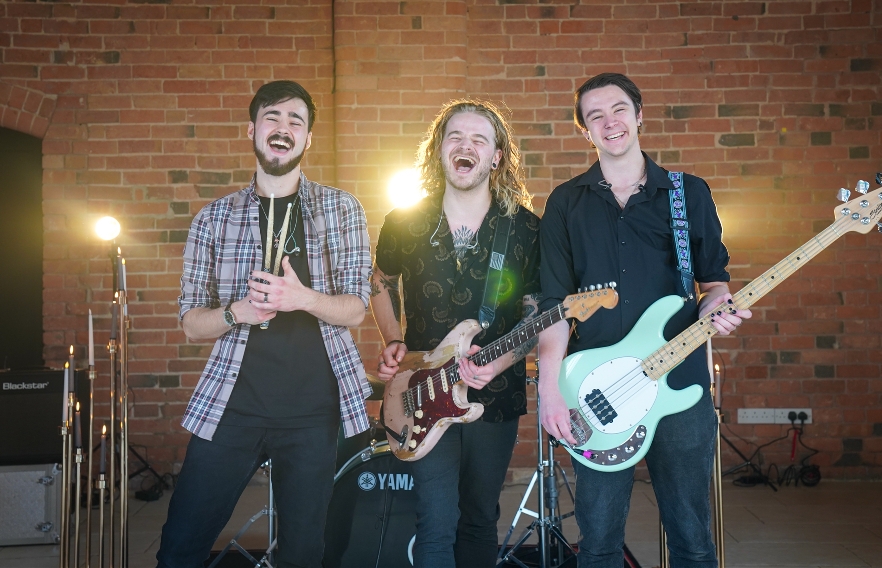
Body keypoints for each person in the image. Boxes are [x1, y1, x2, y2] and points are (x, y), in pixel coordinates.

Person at [537, 72, 752, 567]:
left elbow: (714, 284)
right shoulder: (565, 203)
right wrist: (550, 390)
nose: (609, 122)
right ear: (585, 130)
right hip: (596, 392)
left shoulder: (687, 193)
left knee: (692, 540)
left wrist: (718, 307)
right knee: (598, 544)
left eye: (618, 109)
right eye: (595, 115)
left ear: (639, 115)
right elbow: (554, 308)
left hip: (680, 386)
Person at [157, 80, 373, 568]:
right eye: (272, 117)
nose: (283, 127)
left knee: (304, 553)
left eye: (296, 120)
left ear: (308, 138)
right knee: (180, 546)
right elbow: (191, 324)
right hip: (232, 407)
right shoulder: (213, 219)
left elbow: (356, 309)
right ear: (252, 130)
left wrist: (302, 298)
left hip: (315, 413)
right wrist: (239, 312)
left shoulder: (342, 209)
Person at [370, 99, 541, 568]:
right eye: (456, 137)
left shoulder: (526, 228)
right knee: (436, 520)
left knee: (480, 519)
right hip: (422, 390)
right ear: (439, 149)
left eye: (479, 139)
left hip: (495, 394)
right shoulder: (405, 220)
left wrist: (499, 362)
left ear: (496, 157)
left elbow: (535, 316)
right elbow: (380, 280)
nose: (466, 146)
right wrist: (393, 339)